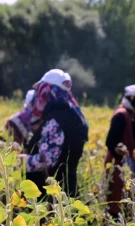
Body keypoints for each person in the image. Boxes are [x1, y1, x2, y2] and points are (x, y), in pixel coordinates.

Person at [20, 69, 89, 198]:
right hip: (67, 188)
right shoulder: (75, 114)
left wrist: (23, 161)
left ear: (47, 91)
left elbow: (47, 160)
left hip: (51, 195)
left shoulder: (56, 119)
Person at [105, 84, 135, 218]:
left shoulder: (131, 115)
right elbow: (111, 141)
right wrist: (120, 150)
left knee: (128, 204)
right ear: (134, 99)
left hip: (128, 168)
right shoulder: (121, 115)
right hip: (118, 167)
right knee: (116, 204)